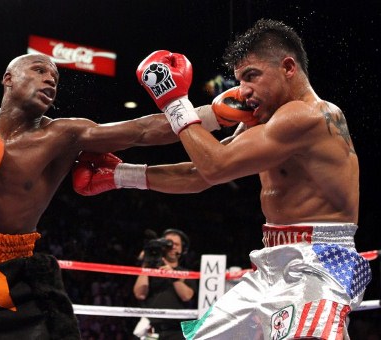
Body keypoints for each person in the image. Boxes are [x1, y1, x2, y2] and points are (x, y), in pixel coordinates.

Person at [0, 53, 251, 339]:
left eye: (55, 77)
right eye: (39, 70)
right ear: (8, 78)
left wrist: (218, 113)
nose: (50, 80)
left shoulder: (62, 134)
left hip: (12, 273)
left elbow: (141, 131)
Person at [72, 19, 372, 339]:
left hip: (321, 263)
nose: (243, 91)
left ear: (288, 67)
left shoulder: (310, 115)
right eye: (240, 79)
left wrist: (175, 102)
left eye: (252, 76)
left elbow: (216, 166)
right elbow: (200, 173)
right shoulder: (265, 121)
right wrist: (119, 175)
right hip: (271, 261)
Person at [133, 229, 197, 340]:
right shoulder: (150, 270)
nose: (172, 247)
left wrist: (172, 274)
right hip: (151, 328)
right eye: (168, 243)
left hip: (177, 331)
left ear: (183, 249)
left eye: (176, 244)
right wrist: (146, 265)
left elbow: (186, 296)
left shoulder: (186, 273)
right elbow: (140, 294)